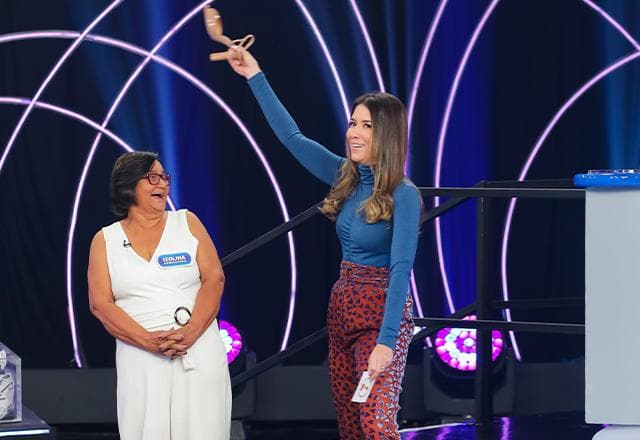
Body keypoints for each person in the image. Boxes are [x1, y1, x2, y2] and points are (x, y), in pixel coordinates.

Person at [226, 47, 421, 439]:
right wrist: (255, 75)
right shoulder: (343, 175)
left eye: (366, 125)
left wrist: (386, 343)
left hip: (381, 311)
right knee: (351, 426)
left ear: (386, 133)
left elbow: (401, 269)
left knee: (377, 425)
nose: (354, 132)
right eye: (352, 123)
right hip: (343, 307)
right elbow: (291, 137)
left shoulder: (404, 194)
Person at [87, 151, 231, 440]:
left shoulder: (186, 222)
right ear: (128, 185)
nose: (162, 184)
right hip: (141, 358)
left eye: (165, 177)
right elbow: (101, 304)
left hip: (197, 349)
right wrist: (149, 342)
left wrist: (190, 332)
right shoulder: (106, 240)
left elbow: (214, 278)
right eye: (152, 177)